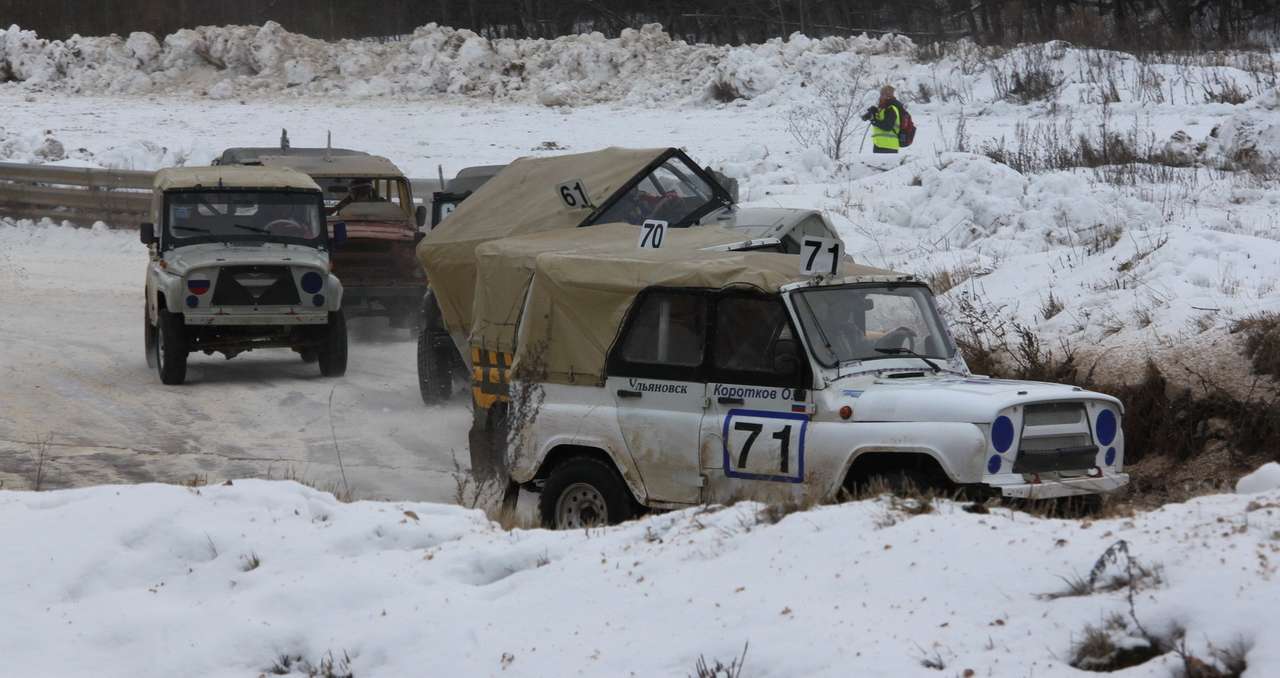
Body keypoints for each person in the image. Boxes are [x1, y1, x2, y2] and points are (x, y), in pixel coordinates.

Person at [862, 85, 904, 154]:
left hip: (888, 146)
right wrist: (872, 112)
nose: (880, 97)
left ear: (887, 96)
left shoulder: (891, 109)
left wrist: (873, 120)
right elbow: (881, 119)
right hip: (880, 144)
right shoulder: (883, 109)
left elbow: (887, 127)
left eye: (882, 95)